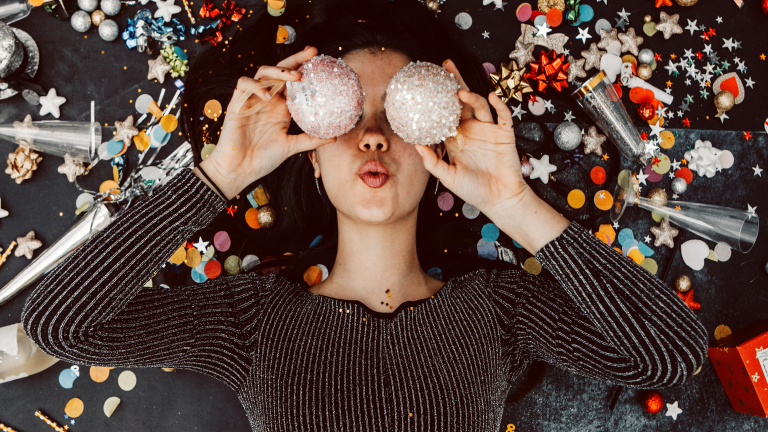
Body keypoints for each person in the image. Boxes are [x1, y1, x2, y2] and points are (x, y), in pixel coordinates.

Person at [21, 0, 708, 430]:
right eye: (346, 115)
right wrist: (218, 177)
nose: (373, 137)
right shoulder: (253, 322)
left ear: (439, 146)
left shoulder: (497, 314)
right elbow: (59, 324)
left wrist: (512, 202)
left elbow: (672, 354)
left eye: (402, 116)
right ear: (312, 158)